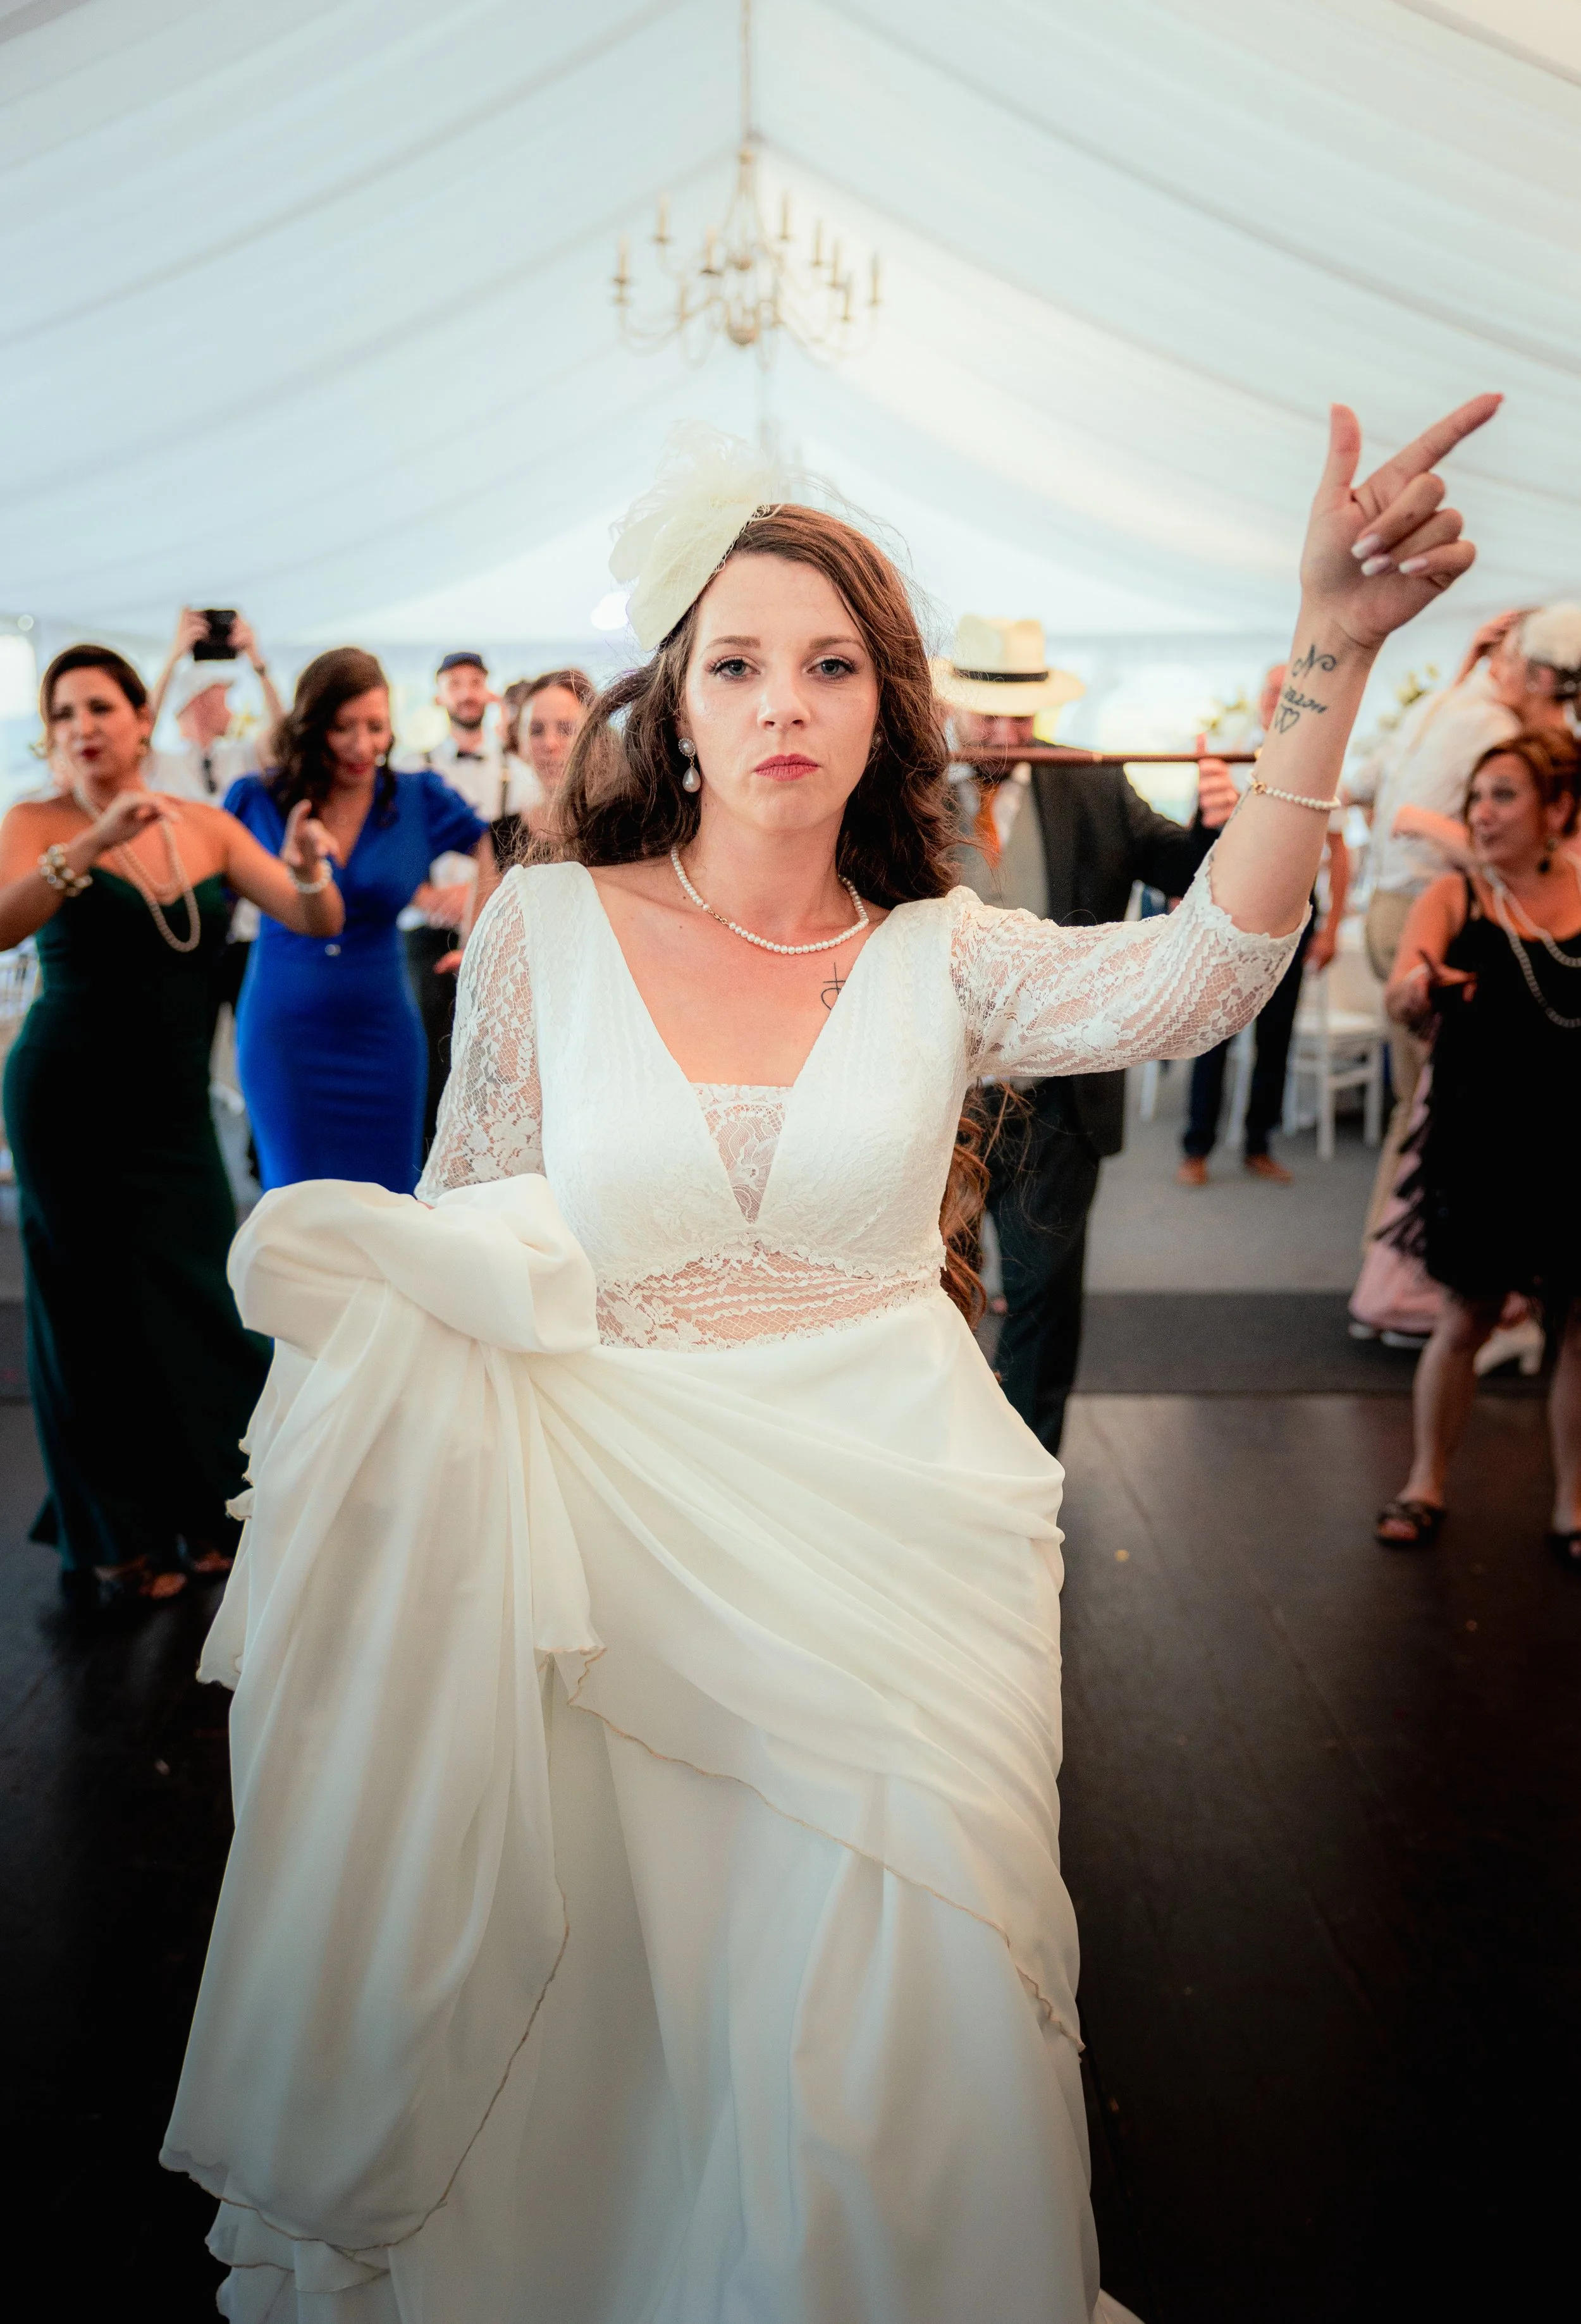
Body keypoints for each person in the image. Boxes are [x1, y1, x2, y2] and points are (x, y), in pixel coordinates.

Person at [167, 397, 1496, 2322]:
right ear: (673, 708)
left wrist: (1331, 650)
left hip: (898, 1550)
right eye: (735, 664)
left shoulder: (947, 956)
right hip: (607, 1560)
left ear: (884, 709)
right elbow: (469, 1226)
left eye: (830, 663)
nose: (781, 700)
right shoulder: (543, 929)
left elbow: (1210, 963)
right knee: (632, 2010)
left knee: (900, 2026)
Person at [0, 645, 340, 1614]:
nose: (81, 726)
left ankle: (208, 1505)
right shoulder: (36, 821)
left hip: (172, 1106)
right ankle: (115, 1534)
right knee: (88, 1314)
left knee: (197, 1298)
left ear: (140, 719)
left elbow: (315, 917)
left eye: (99, 707)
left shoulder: (206, 824)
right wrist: (91, 844)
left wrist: (310, 869)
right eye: (64, 713)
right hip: (65, 1099)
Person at [937, 613, 1238, 1456]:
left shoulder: (1094, 782)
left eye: (1021, 716)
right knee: (929, 1297)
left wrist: (1220, 827)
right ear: (953, 706)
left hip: (1059, 1102)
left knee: (1044, 1296)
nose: (1007, 735)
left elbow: (1188, 871)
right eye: (989, 716)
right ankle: (942, 1471)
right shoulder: (897, 786)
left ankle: (1030, 1472)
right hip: (929, 1099)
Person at [1375, 731, 1581, 1561]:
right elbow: (1401, 995)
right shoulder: (1454, 896)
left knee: (1578, 1325)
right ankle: (1425, 1481)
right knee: (1466, 1315)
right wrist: (1418, 991)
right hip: (1479, 1142)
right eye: (1477, 797)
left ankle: (1573, 1501)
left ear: (1556, 809)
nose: (1483, 813)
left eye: (1504, 794)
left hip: (1571, 1144)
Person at [226, 648, 492, 1195]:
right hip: (285, 1031)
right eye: (343, 727)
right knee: (296, 1200)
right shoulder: (261, 798)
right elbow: (213, 896)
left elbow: (493, 844)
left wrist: (478, 935)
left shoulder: (418, 797)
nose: (363, 745)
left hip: (382, 1030)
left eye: (376, 726)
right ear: (312, 726)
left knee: (388, 1199)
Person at [1348, 602, 1578, 1230]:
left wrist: (1418, 820)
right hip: (1436, 913)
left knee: (1433, 1097)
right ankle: (1409, 1253)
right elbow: (1511, 840)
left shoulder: (1456, 709)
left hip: (1405, 905)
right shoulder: (1489, 723)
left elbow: (1368, 785)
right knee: (1436, 1099)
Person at [1176, 662, 1351, 1185]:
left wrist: (1333, 927)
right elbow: (1194, 842)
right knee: (1213, 1034)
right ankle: (1196, 1148)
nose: (1279, 700)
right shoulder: (1228, 758)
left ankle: (1259, 1144)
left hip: (1295, 914)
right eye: (1273, 691)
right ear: (1261, 700)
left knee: (1276, 1038)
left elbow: (1339, 852)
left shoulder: (1322, 762)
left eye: (1289, 692)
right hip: (1227, 920)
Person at [145, 605, 285, 792]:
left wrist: (258, 663)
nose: (233, 711)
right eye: (225, 699)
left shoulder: (241, 756)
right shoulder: (161, 763)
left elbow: (283, 736)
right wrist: (174, 657)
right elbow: (139, 732)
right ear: (199, 701)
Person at [496, 665, 597, 854]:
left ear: (595, 737)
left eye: (566, 729)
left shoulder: (626, 826)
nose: (550, 744)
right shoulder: (499, 837)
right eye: (536, 731)